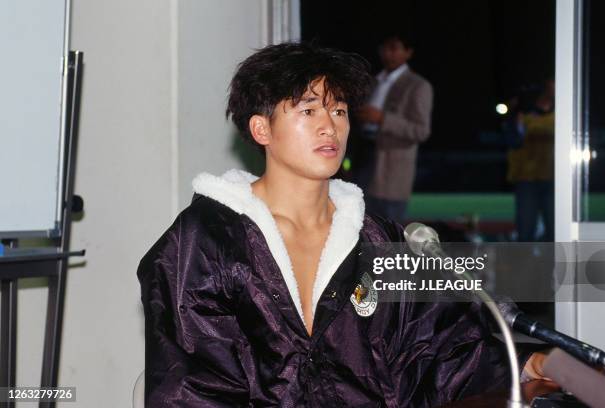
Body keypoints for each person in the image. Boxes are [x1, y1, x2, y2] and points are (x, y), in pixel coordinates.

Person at [137, 42, 550, 407]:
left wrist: (527, 365)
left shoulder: (379, 240)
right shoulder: (203, 242)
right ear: (261, 128)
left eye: (339, 110)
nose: (329, 126)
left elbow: (437, 352)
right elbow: (194, 387)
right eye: (308, 110)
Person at [356, 33, 434, 223]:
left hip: (392, 170)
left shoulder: (417, 86)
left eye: (394, 48)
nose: (388, 54)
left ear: (408, 52)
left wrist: (383, 119)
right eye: (384, 48)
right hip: (364, 161)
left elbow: (421, 130)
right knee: (358, 225)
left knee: (388, 231)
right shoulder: (374, 82)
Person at [504, 79, 555, 242]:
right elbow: (512, 141)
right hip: (527, 179)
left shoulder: (564, 113)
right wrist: (515, 119)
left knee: (556, 231)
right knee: (525, 231)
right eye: (552, 84)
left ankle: (556, 266)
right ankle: (524, 266)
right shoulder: (522, 114)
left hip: (555, 179)